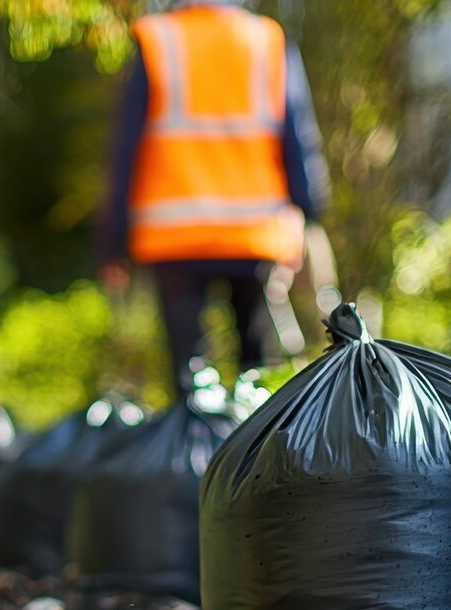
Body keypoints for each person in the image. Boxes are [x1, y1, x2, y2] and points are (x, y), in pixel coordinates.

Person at [97, 0, 330, 394]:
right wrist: (309, 210)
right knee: (258, 372)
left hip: (175, 235)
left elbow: (126, 150)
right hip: (254, 232)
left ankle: (195, 449)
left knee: (188, 375)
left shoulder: (158, 39)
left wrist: (112, 240)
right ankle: (260, 452)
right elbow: (298, 135)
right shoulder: (266, 40)